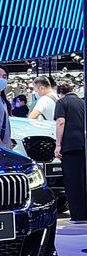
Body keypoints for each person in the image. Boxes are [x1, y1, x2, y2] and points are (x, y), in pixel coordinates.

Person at [53, 82, 86, 224]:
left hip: (70, 145)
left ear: (60, 93)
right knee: (83, 179)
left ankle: (78, 214)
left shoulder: (61, 102)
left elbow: (61, 122)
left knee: (72, 181)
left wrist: (58, 144)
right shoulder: (83, 103)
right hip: (83, 145)